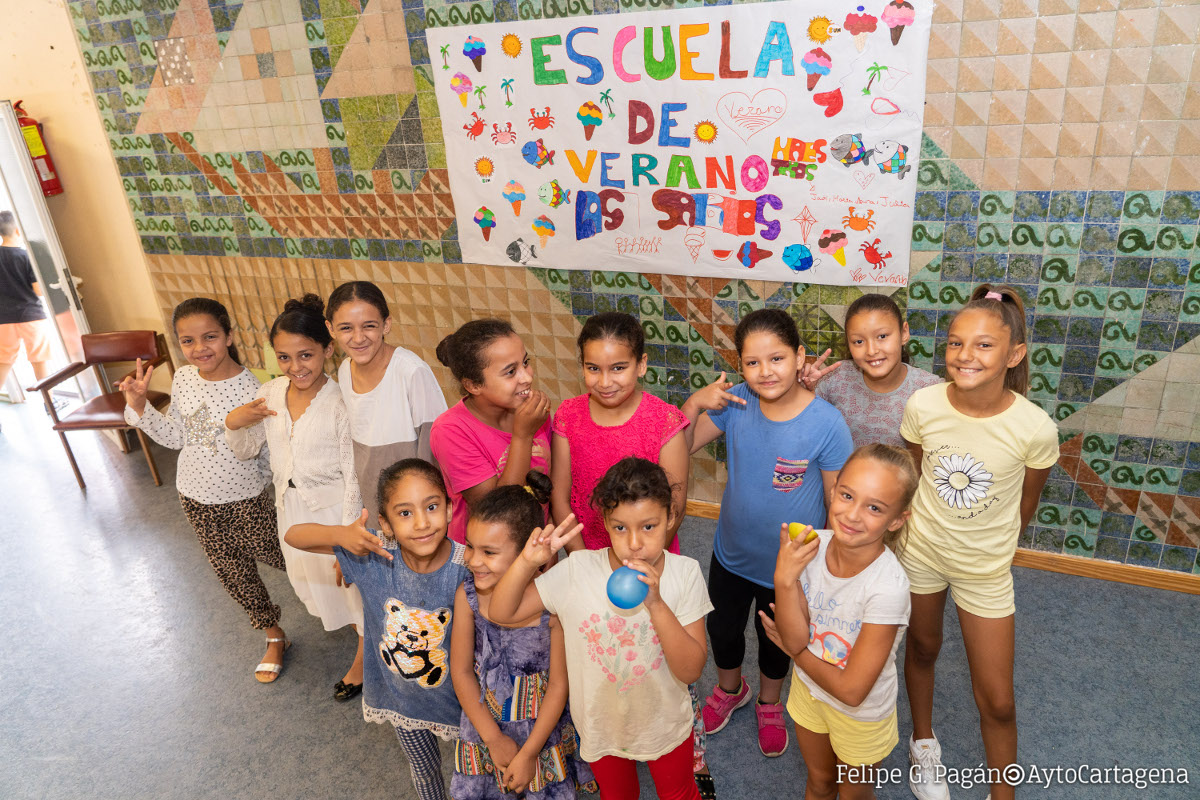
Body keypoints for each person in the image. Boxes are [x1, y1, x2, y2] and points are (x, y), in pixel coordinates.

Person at [899, 285, 1058, 800]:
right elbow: (917, 473)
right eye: (954, 343)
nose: (965, 355)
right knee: (923, 648)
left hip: (985, 570)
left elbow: (1024, 507)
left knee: (999, 701)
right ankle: (923, 742)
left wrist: (993, 550)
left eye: (984, 345)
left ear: (1014, 355)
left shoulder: (1035, 428)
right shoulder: (922, 404)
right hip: (921, 552)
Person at [549, 312, 716, 798]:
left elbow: (677, 506)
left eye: (618, 367)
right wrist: (585, 561)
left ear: (641, 364)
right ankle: (604, 744)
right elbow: (562, 496)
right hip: (588, 560)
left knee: (665, 663)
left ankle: (688, 750)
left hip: (651, 561)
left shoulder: (665, 421)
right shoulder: (568, 416)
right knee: (603, 659)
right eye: (593, 368)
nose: (605, 381)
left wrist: (640, 559)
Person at [682, 308, 853, 758]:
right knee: (723, 630)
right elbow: (677, 451)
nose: (765, 372)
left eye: (776, 358)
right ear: (740, 364)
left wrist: (837, 567)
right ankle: (730, 689)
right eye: (752, 362)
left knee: (778, 640)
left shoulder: (827, 423)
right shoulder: (735, 403)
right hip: (731, 553)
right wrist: (696, 403)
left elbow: (839, 501)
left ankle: (769, 701)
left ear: (800, 357)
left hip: (791, 566)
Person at [490, 457, 711, 800]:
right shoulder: (577, 571)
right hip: (600, 725)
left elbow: (690, 669)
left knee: (679, 794)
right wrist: (526, 563)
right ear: (605, 523)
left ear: (671, 517)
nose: (635, 542)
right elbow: (502, 613)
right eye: (621, 527)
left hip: (664, 722)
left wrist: (656, 603)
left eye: (648, 526)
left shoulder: (685, 573)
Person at [120, 298, 288, 681]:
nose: (200, 349)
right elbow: (178, 437)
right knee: (234, 574)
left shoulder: (256, 389)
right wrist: (141, 406)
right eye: (188, 341)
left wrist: (271, 493)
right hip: (195, 498)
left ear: (228, 336)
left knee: (292, 561)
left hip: (246, 499)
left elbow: (263, 455)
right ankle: (274, 635)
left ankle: (355, 621)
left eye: (209, 337)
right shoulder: (184, 378)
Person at [285, 459, 469, 800]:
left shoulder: (469, 566)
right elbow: (294, 535)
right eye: (404, 513)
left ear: (449, 509)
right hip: (401, 701)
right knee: (424, 772)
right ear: (384, 523)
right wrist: (340, 534)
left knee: (473, 773)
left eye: (431, 507)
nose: (422, 522)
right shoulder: (373, 556)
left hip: (464, 704)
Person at [225, 294, 365, 699]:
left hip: (335, 510)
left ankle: (363, 656)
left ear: (327, 349)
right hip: (292, 511)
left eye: (305, 355)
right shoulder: (270, 394)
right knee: (318, 587)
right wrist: (235, 422)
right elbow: (247, 450)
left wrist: (349, 533)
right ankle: (361, 640)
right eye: (284, 358)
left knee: (353, 588)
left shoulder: (340, 401)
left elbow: (353, 471)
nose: (295, 367)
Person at [768, 444, 918, 800]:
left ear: (897, 520)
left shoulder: (888, 589)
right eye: (847, 495)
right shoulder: (808, 548)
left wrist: (796, 653)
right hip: (809, 693)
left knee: (854, 795)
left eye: (874, 507)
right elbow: (797, 633)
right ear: (833, 491)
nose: (852, 515)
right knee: (819, 783)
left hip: (861, 714)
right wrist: (784, 580)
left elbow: (852, 691)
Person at [450, 473, 597, 799]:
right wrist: (492, 738)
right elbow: (460, 671)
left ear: (526, 555)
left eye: (489, 552)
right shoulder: (467, 596)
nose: (473, 560)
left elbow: (560, 684)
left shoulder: (553, 606)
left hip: (540, 731)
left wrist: (530, 753)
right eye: (471, 546)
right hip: (484, 723)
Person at [325, 280, 447, 529]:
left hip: (414, 512)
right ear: (331, 329)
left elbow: (434, 449)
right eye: (346, 328)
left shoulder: (411, 372)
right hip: (373, 506)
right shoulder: (345, 370)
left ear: (386, 324)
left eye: (369, 326)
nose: (358, 338)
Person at [430, 319, 551, 543]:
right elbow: (499, 512)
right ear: (473, 385)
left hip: (538, 545)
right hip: (487, 558)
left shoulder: (531, 410)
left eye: (525, 363)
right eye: (510, 372)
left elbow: (548, 487)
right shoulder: (450, 431)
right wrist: (523, 435)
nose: (527, 377)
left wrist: (549, 536)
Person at [800, 294, 942, 448]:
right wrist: (804, 390)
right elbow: (801, 428)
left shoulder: (931, 389)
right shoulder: (836, 378)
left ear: (904, 333)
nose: (871, 350)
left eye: (882, 336)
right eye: (859, 341)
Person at [0, 210, 51, 392]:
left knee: (4, 362)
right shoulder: (25, 256)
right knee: (39, 360)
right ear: (18, 231)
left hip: (3, 319)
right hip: (31, 316)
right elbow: (38, 290)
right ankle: (49, 401)